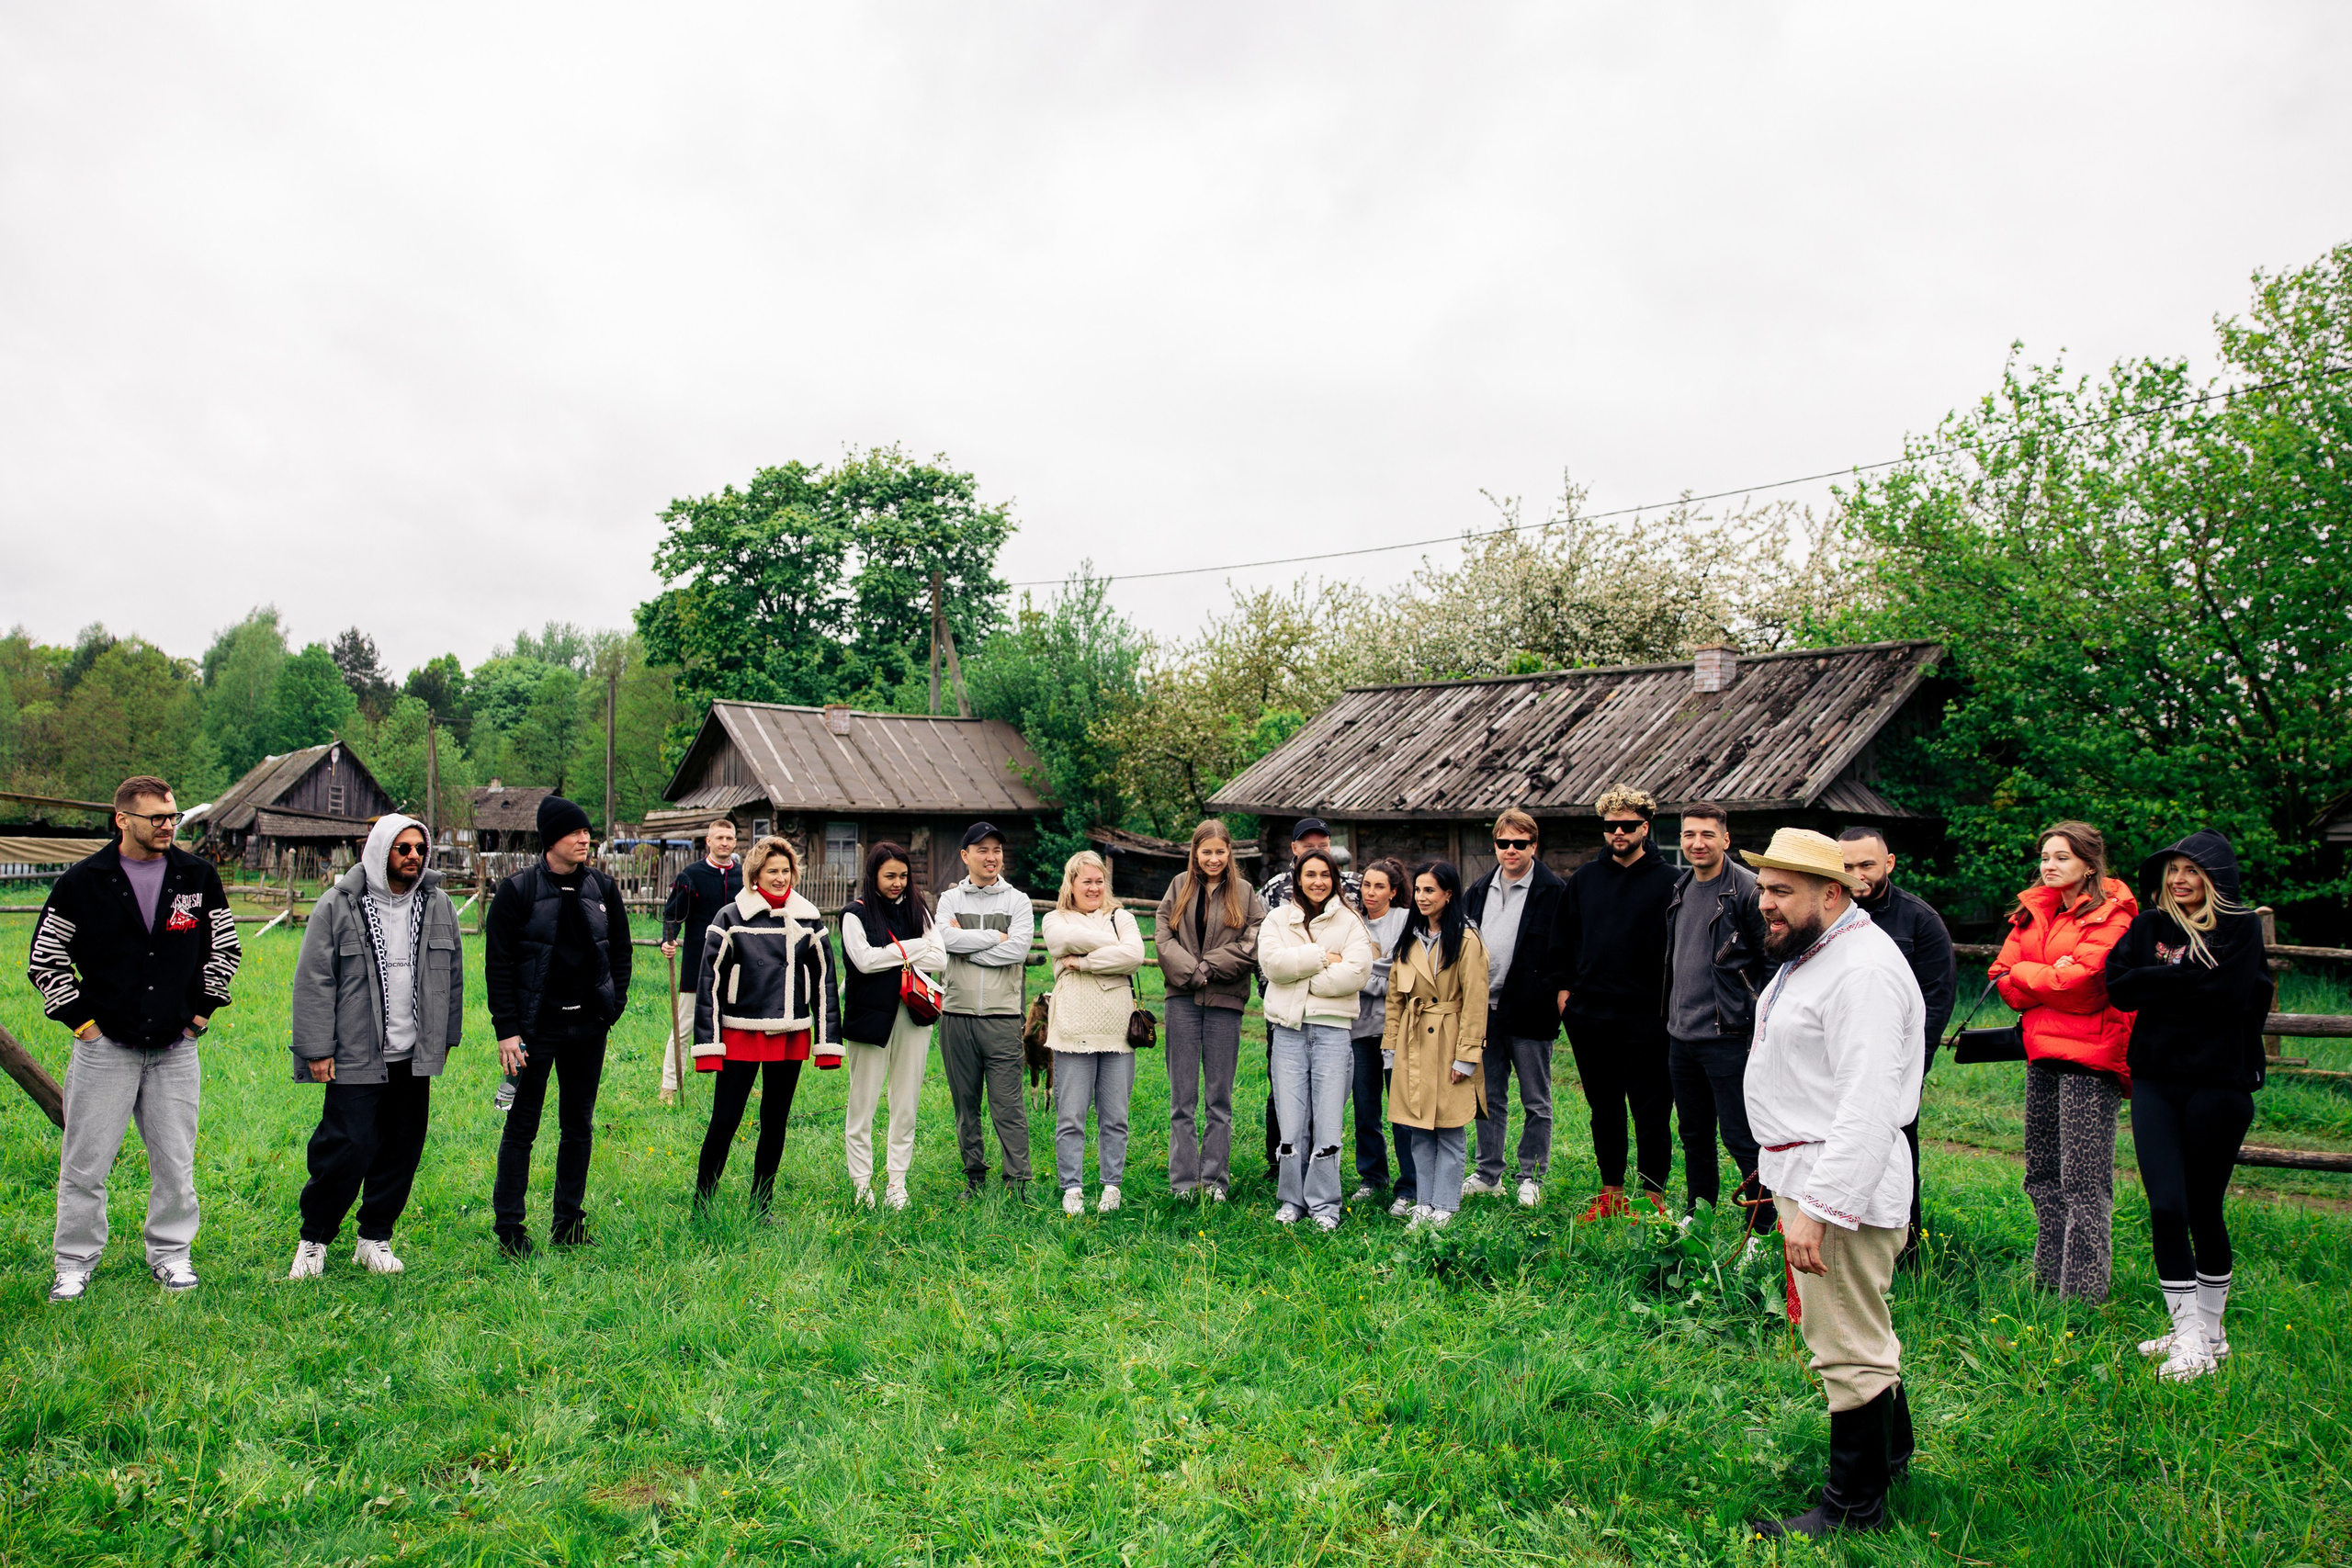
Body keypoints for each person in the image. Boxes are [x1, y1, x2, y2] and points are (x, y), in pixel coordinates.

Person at [1740, 829, 1925, 1540]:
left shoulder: (1863, 970)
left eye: (1782, 891)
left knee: (1845, 1340)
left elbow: (1868, 1103)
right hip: (1809, 1169)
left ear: (1831, 893)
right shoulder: (1817, 951)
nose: (1766, 903)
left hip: (1840, 1184)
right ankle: (1891, 1458)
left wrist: (1820, 1206)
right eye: (1764, 888)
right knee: (1856, 1327)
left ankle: (1852, 1507)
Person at [30, 775, 239, 1302]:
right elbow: (45, 958)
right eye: (157, 818)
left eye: (173, 816)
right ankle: (74, 1263)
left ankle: (171, 1255)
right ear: (122, 819)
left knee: (175, 1164)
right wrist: (84, 1025)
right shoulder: (83, 882)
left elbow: (225, 948)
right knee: (84, 1164)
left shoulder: (197, 877)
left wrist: (199, 1017)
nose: (169, 826)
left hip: (175, 1049)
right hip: (105, 1050)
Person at [2104, 830, 2269, 1382]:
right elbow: (2119, 987)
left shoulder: (2241, 927)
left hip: (2219, 1084)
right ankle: (2188, 1336)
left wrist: (2156, 983)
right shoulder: (2149, 926)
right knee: (2166, 1208)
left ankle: (2211, 1335)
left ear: (2215, 877)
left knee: (2202, 1208)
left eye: (2192, 870)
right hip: (2156, 1080)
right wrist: (2188, 977)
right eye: (2173, 869)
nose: (2179, 879)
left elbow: (2228, 997)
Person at [288, 815, 464, 1280]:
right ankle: (313, 1240)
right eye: (403, 848)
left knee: (402, 1149)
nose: (414, 856)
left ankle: (374, 1239)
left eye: (420, 849)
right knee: (345, 1148)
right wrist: (316, 1048)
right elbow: (314, 980)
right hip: (355, 1054)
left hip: (413, 1056)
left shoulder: (438, 904)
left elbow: (453, 978)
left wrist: (445, 1039)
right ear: (381, 849)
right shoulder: (338, 904)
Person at [1989, 820, 2138, 1303]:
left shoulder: (2113, 914)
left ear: (2089, 865)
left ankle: (2084, 1295)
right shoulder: (2033, 911)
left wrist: (2031, 975)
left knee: (2084, 1182)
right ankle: (2047, 1282)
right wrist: (2045, 974)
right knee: (2042, 1175)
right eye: (2045, 857)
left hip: (2090, 1060)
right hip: (2041, 1054)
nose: (2048, 866)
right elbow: (2002, 978)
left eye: (2061, 857)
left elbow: (2085, 987)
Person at [485, 794, 632, 1257]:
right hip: (534, 1032)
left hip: (588, 1028)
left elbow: (621, 950)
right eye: (574, 832)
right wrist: (507, 1030)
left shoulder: (602, 889)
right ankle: (510, 1230)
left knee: (578, 1127)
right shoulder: (517, 891)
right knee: (521, 1127)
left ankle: (568, 1223)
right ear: (551, 840)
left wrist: (612, 1007)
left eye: (587, 831)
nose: (584, 839)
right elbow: (498, 964)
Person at [692, 834, 839, 1210]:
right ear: (755, 875)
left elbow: (825, 982)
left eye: (785, 870)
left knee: (775, 1121)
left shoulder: (809, 918)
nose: (780, 878)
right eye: (772, 871)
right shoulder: (730, 917)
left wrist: (827, 1044)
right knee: (725, 1119)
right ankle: (702, 1203)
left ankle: (762, 1205)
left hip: (790, 1033)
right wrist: (708, 1045)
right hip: (741, 1031)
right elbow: (708, 982)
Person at [1556, 786, 1677, 1218]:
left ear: (1645, 827)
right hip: (1591, 1017)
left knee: (1651, 1110)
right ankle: (1611, 1193)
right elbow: (1562, 940)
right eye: (1611, 826)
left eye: (1627, 825)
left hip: (1650, 1018)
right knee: (1604, 1109)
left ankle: (1652, 1198)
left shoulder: (1671, 882)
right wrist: (1565, 995)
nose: (1618, 833)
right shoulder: (1585, 880)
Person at [1838, 827, 1958, 1253]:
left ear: (1888, 863)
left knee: (1895, 1152)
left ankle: (1904, 1245)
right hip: (1837, 1059)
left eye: (1866, 865)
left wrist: (1908, 1066)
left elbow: (1937, 999)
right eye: (1847, 866)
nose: (1857, 875)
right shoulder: (1827, 913)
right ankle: (1843, 1239)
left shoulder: (1919, 920)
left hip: (1894, 1064)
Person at [1662, 802, 1775, 1237]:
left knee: (1741, 1136)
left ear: (1725, 839)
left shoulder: (1747, 891)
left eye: (1707, 834)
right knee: (1693, 1133)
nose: (1697, 843)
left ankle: (1761, 1227)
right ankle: (1699, 1211)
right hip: (1681, 1035)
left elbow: (1770, 963)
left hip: (1728, 1034)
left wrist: (1756, 1020)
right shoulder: (1681, 886)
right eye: (1689, 835)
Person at [1259, 848, 1376, 1229]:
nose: (1318, 882)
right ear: (1298, 878)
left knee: (1327, 1122)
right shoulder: (1278, 919)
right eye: (1310, 874)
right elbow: (1273, 966)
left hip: (1332, 1033)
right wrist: (1325, 957)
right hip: (1288, 1033)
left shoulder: (1351, 921)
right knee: (1291, 1122)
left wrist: (1300, 975)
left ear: (1335, 879)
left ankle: (1325, 1206)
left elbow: (1356, 973)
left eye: (1325, 875)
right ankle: (1292, 1200)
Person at [1155, 819, 1267, 1201]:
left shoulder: (1245, 893)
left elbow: (1253, 940)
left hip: (1225, 1002)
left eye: (1220, 851)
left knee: (1219, 1099)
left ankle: (1215, 1180)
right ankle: (1184, 1183)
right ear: (1195, 853)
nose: (1214, 859)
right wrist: (1191, 972)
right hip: (1182, 1000)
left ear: (1229, 852)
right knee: (1181, 1098)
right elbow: (1163, 935)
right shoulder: (1178, 887)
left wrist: (1210, 966)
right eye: (1207, 852)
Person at [1461, 809, 1567, 1207]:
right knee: (1489, 1098)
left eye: (1519, 844)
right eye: (1503, 843)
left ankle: (1531, 1177)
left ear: (1533, 846)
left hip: (1531, 1010)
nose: (1511, 850)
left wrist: (1556, 996)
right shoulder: (1478, 890)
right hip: (1484, 1010)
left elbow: (1565, 951)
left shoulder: (1553, 891)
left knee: (1536, 1100)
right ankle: (1488, 1174)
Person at [1042, 851, 1149, 1215]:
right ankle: (1072, 1188)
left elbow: (1134, 956)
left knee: (1115, 1115)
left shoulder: (1122, 917)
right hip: (1073, 1028)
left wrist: (1083, 962)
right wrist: (1112, 948)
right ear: (1071, 884)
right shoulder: (1054, 919)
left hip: (1117, 1031)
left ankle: (1111, 1186)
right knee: (1071, 1116)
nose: (1094, 888)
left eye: (1099, 881)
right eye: (1086, 881)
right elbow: (1061, 942)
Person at [1382, 861, 1489, 1228]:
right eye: (1419, 890)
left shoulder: (1467, 940)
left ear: (1448, 894)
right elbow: (1395, 998)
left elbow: (1476, 1001)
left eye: (1430, 890)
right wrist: (1391, 1047)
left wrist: (1467, 1056)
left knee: (1449, 1129)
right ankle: (1423, 1203)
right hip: (1413, 1045)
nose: (1422, 897)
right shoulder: (1409, 938)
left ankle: (1445, 1205)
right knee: (1418, 1130)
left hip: (1449, 1042)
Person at [838, 841, 944, 1210]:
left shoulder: (918, 909)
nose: (898, 883)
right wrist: (915, 948)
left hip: (914, 1015)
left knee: (906, 1103)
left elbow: (941, 958)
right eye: (889, 876)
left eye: (903, 876)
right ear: (873, 875)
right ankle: (861, 1184)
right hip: (869, 1017)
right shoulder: (854, 914)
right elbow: (863, 962)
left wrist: (891, 953)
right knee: (862, 1103)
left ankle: (897, 1183)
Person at [935, 822, 1035, 1199]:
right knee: (965, 1105)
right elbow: (944, 940)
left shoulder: (1017, 901)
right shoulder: (949, 901)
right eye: (982, 850)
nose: (991, 857)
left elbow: (1018, 950)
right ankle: (974, 1176)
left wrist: (967, 949)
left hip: (1003, 1017)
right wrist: (995, 937)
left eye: (997, 850)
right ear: (965, 856)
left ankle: (1017, 1182)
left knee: (1008, 1105)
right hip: (956, 1016)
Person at [1348, 858, 1418, 1215]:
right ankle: (1372, 1178)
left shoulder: (1406, 920)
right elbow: (1346, 968)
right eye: (1366, 885)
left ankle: (1410, 1187)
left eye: (1379, 886)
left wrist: (1360, 973)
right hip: (1359, 1029)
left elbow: (1401, 971)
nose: (1370, 892)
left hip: (1397, 1030)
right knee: (1365, 1109)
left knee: (1402, 1111)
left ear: (1393, 891)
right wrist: (1366, 971)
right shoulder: (1351, 922)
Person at [658, 818, 741, 1104]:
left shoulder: (744, 876)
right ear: (708, 841)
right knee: (683, 1027)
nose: (724, 843)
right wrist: (668, 940)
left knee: (737, 1027)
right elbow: (673, 914)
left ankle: (738, 1082)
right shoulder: (690, 875)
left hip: (736, 963)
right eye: (719, 838)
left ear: (735, 841)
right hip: (699, 961)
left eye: (729, 838)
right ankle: (670, 1086)